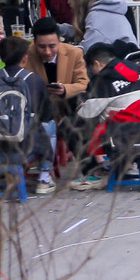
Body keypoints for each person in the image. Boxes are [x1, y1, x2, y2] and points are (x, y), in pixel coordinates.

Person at [70, 43, 140, 190]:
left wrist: (81, 106)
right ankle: (122, 166)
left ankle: (94, 172)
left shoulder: (104, 79)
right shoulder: (137, 69)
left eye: (92, 69)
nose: (92, 73)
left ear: (97, 64)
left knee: (72, 125)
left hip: (123, 137)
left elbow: (87, 114)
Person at [24, 15, 90, 189]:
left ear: (60, 41)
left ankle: (85, 168)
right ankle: (43, 171)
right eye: (42, 47)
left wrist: (65, 90)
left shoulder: (74, 53)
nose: (47, 52)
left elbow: (83, 83)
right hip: (37, 109)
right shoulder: (27, 55)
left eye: (52, 46)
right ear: (34, 43)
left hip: (67, 105)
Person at [0, 35, 52, 195]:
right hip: (25, 148)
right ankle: (44, 177)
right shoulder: (34, 80)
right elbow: (47, 114)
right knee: (50, 125)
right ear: (25, 58)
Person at [67, 0, 138, 51]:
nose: (68, 2)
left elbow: (87, 51)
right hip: (130, 58)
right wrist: (60, 29)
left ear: (80, 0)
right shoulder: (106, 9)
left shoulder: (95, 17)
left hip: (119, 61)